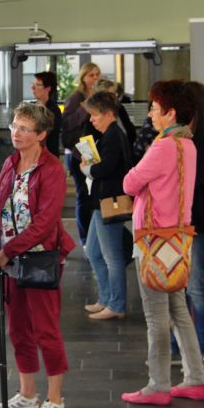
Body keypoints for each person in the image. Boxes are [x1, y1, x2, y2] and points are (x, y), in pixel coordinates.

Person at [0, 102, 76, 408]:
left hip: (39, 259)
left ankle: (56, 399)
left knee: (46, 330)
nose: (16, 132)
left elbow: (46, 222)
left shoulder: (52, 169)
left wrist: (7, 250)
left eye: (25, 128)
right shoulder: (10, 163)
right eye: (14, 125)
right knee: (18, 329)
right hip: (10, 259)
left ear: (41, 134)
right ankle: (27, 394)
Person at [121, 80, 204, 405]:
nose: (151, 115)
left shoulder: (163, 146)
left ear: (170, 113)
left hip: (153, 240)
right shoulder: (189, 145)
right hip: (179, 239)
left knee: (156, 314)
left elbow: (130, 182)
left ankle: (158, 385)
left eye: (155, 109)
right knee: (179, 311)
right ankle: (195, 378)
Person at [170, 81, 204, 372]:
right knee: (178, 287)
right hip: (182, 221)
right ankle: (179, 348)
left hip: (197, 221)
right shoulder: (185, 136)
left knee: (197, 288)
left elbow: (193, 179)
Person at [81, 91, 132, 320]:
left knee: (112, 257)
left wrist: (87, 169)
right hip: (100, 203)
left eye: (95, 115)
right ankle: (106, 298)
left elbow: (107, 168)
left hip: (109, 203)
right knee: (93, 252)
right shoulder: (110, 134)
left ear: (109, 114)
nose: (92, 120)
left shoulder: (113, 135)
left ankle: (116, 304)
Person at [62, 62, 101, 249]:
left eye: (97, 75)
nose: (95, 78)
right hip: (78, 151)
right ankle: (85, 238)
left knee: (93, 194)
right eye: (91, 75)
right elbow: (68, 123)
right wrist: (85, 106)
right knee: (83, 195)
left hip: (91, 149)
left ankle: (93, 236)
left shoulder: (95, 96)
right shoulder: (76, 98)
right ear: (84, 77)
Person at [88, 78, 136, 148]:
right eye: (110, 95)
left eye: (114, 94)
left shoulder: (120, 108)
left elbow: (129, 129)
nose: (114, 97)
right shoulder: (93, 115)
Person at [31, 71, 62, 158]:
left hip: (48, 157)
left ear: (47, 88)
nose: (32, 88)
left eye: (37, 84)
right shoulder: (33, 107)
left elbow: (43, 135)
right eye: (33, 84)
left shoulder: (54, 111)